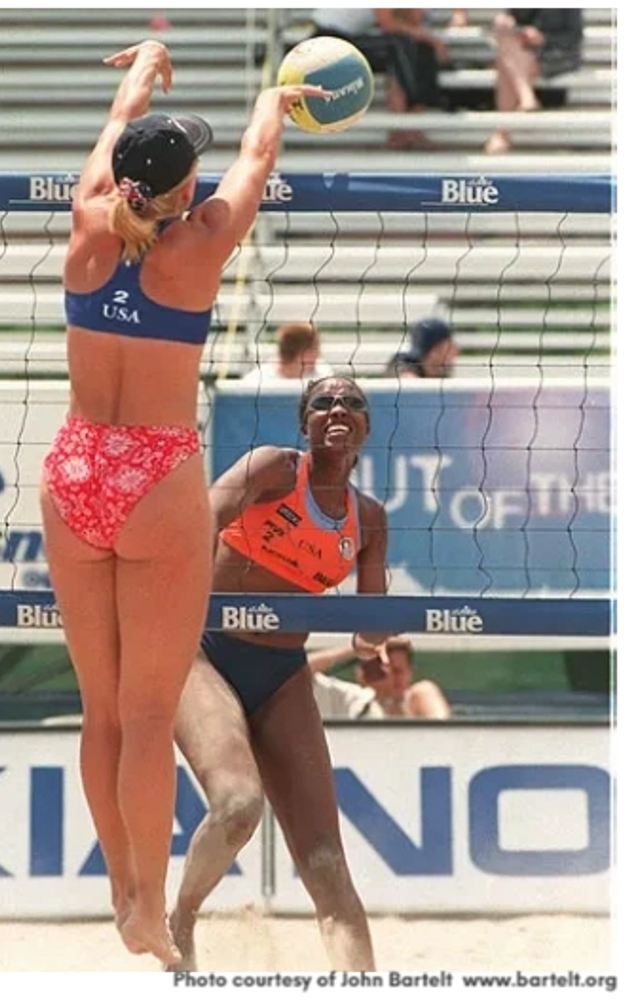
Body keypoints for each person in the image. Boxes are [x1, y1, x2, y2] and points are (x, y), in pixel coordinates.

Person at [38, 38, 328, 965]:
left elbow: (114, 132)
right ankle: (151, 913)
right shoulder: (200, 246)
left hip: (76, 467)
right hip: (155, 476)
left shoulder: (87, 221)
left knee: (102, 710)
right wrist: (279, 101)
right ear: (179, 192)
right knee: (149, 715)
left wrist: (139, 71)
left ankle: (122, 891)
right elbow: (257, 158)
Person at [168, 374, 389, 974]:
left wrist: (374, 644)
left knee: (327, 868)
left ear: (367, 428)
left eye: (352, 403)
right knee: (239, 804)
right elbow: (196, 521)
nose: (338, 408)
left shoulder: (368, 519)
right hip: (204, 652)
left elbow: (370, 630)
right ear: (306, 423)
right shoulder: (272, 469)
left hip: (282, 673)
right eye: (324, 402)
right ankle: (182, 919)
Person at [309, 6, 469, 149]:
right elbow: (388, 24)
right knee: (399, 46)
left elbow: (412, 21)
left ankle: (409, 128)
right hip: (328, 40)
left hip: (347, 37)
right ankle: (403, 128)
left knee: (412, 48)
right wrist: (434, 41)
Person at [484, 6, 584, 155]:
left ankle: (502, 132)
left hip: (556, 52)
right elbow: (515, 20)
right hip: (524, 51)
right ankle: (527, 97)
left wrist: (543, 38)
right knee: (505, 41)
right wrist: (508, 22)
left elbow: (574, 35)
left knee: (506, 64)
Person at [308, 635, 451, 719]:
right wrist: (359, 649)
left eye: (397, 671)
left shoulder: (419, 695)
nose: (390, 677)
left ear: (410, 672)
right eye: (382, 669)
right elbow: (300, 672)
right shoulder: (351, 699)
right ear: (362, 674)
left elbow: (443, 732)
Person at [239, 321, 335, 385]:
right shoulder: (257, 381)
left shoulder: (323, 374)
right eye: (315, 349)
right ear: (303, 355)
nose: (318, 355)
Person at [383, 316, 459, 378]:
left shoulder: (443, 372)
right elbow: (402, 374)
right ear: (434, 352)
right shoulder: (404, 365)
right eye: (450, 346)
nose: (455, 351)